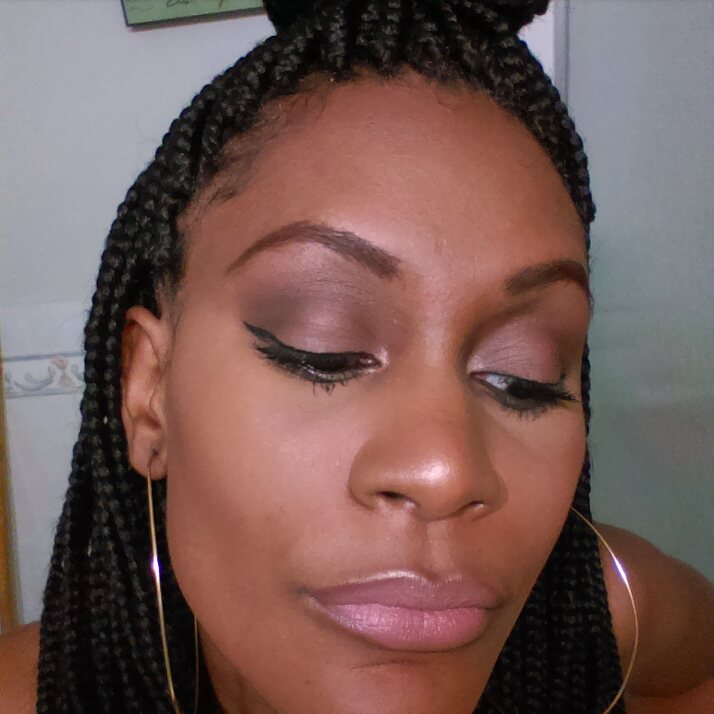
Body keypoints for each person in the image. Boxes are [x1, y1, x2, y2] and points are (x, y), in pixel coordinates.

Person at [1, 0, 712, 712]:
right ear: (148, 392)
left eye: (520, 376)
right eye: (325, 351)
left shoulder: (607, 607)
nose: (445, 470)